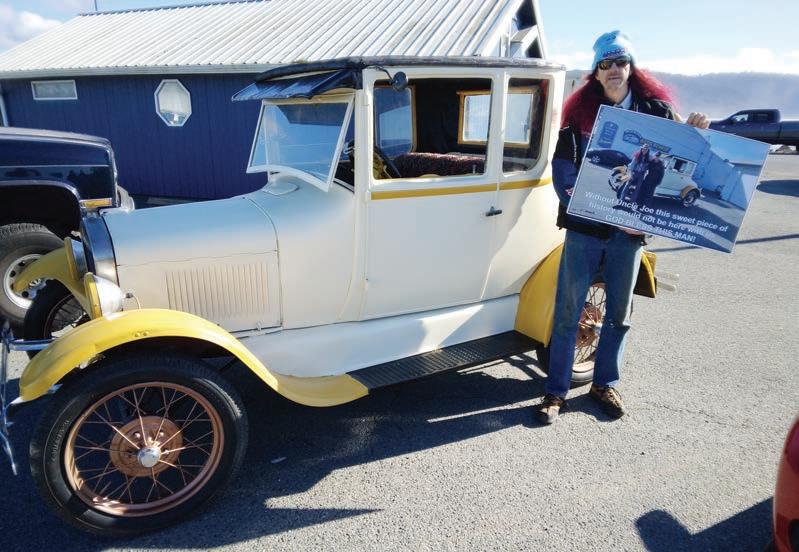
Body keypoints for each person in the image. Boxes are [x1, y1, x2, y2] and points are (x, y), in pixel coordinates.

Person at [535, 30, 709, 424]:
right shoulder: (580, 114)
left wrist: (698, 129)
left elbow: (687, 153)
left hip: (627, 236)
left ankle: (604, 384)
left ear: (631, 67)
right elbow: (562, 167)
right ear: (596, 72)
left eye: (621, 61)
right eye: (606, 63)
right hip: (584, 230)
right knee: (567, 312)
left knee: (618, 313)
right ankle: (555, 391)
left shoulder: (658, 112)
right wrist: (582, 202)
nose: (614, 69)